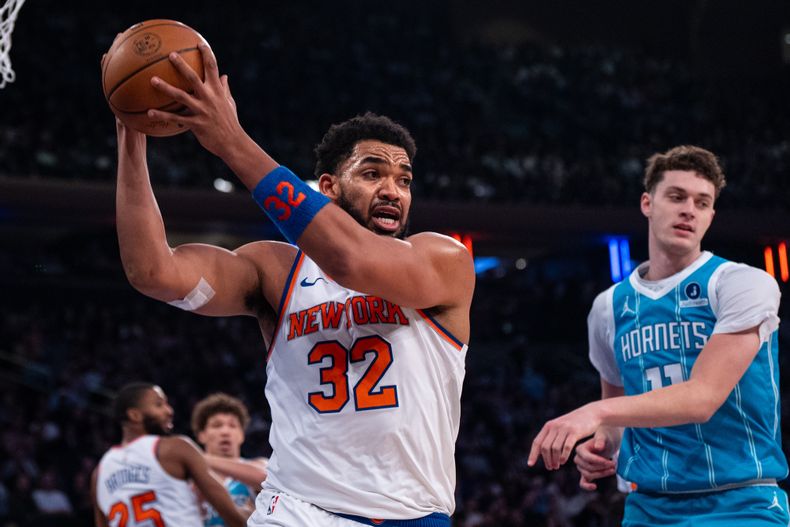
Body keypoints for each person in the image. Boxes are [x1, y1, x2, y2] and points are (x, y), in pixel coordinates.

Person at [113, 43, 475, 526]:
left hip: (412, 512)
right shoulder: (276, 270)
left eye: (404, 180)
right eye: (372, 173)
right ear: (327, 187)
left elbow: (349, 258)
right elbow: (153, 273)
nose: (393, 190)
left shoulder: (444, 259)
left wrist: (230, 140)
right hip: (298, 509)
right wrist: (131, 141)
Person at [528, 145, 787, 525]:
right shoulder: (608, 307)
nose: (689, 210)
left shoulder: (742, 284)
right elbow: (616, 414)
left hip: (740, 503)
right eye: (677, 197)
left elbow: (702, 397)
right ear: (647, 203)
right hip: (648, 507)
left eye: (702, 203)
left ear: (711, 217)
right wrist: (602, 444)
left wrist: (594, 413)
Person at [91, 383, 246, 527]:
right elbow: (231, 513)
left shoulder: (100, 472)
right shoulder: (175, 448)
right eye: (159, 404)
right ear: (135, 415)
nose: (169, 411)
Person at [191, 392, 268, 526]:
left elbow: (266, 477)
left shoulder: (256, 466)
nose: (225, 432)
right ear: (201, 435)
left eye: (232, 426)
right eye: (217, 425)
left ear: (241, 435)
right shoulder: (190, 479)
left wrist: (198, 458)